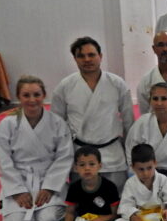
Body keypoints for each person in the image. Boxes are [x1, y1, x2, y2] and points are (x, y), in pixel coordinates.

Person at [51, 36, 134, 192]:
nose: (87, 59)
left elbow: (129, 121)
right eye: (81, 56)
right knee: (82, 201)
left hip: (112, 153)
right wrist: (61, 155)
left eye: (91, 55)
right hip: (81, 155)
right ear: (75, 59)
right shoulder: (65, 86)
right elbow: (56, 124)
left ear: (100, 56)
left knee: (117, 198)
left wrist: (130, 152)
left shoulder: (117, 83)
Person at [0, 75, 73, 221]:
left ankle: (44, 209)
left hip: (48, 177)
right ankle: (23, 209)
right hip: (20, 179)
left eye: (37, 94)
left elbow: (64, 157)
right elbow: (4, 161)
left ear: (44, 95)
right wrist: (17, 191)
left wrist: (49, 188)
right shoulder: (7, 124)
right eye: (26, 95)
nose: (32, 100)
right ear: (19, 97)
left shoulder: (57, 123)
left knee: (48, 219)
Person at [38, 146, 118, 221]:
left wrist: (97, 220)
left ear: (100, 166)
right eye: (82, 165)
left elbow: (114, 215)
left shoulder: (109, 186)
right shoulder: (74, 187)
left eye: (92, 164)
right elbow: (70, 212)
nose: (87, 168)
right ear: (76, 168)